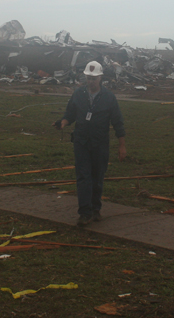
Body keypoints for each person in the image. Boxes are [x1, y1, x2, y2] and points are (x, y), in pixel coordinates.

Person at [55, 60, 126, 226]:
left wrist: (122, 146)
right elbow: (70, 114)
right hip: (81, 142)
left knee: (97, 177)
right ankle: (85, 212)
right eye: (88, 78)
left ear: (100, 77)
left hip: (100, 144)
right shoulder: (78, 94)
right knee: (83, 177)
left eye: (94, 78)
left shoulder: (109, 98)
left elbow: (118, 123)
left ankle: (96, 209)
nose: (91, 81)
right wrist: (63, 123)